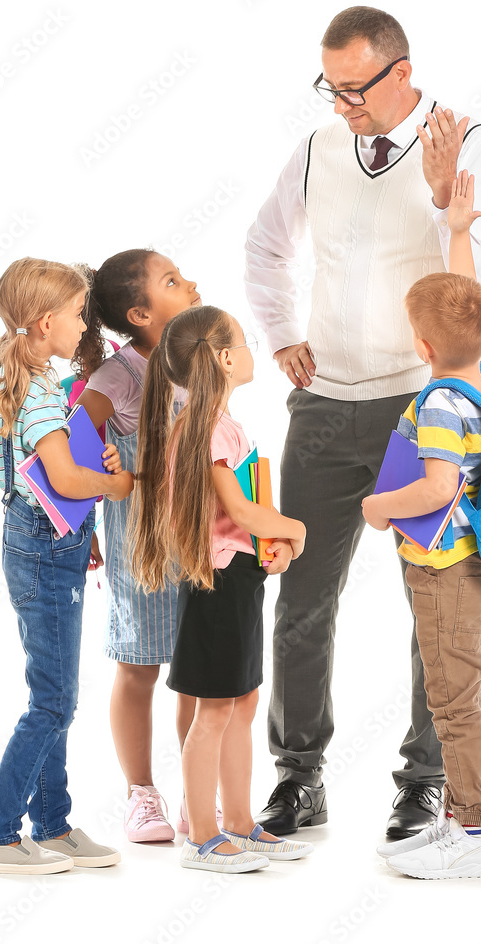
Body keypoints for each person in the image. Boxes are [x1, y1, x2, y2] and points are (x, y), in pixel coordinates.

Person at [245, 5, 481, 839]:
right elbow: (265, 247)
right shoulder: (318, 148)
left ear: (401, 71)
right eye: (331, 85)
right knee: (300, 599)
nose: (340, 104)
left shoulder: (467, 145)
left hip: (419, 411)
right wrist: (283, 334)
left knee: (433, 605)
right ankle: (297, 776)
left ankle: (423, 779)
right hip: (324, 408)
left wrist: (443, 206)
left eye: (355, 88)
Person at [129, 306, 312, 872]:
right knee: (213, 710)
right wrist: (294, 528)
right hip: (215, 582)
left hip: (239, 575)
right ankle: (203, 835)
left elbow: (238, 513)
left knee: (242, 701)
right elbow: (237, 509)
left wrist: (274, 544)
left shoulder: (220, 424)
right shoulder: (205, 428)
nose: (255, 350)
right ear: (226, 359)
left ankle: (238, 822)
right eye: (247, 342)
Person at [362, 173, 481, 878]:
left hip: (445, 568)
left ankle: (475, 837)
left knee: (450, 704)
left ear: (420, 345)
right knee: (464, 691)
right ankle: (458, 816)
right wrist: (456, 234)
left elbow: (437, 484)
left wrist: (376, 506)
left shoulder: (441, 402)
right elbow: (466, 306)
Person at [0, 257, 133, 874]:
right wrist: (113, 487)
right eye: (77, 314)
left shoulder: (24, 378)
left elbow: (50, 476)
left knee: (55, 693)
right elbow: (63, 476)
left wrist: (82, 507)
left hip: (42, 540)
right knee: (53, 702)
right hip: (42, 551)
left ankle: (53, 824)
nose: (83, 323)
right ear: (43, 323)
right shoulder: (37, 390)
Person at [73, 249, 203, 843]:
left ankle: (197, 792)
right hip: (141, 551)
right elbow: (70, 446)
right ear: (140, 313)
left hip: (201, 543)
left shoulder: (199, 360)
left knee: (200, 672)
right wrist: (85, 522)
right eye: (172, 281)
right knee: (139, 666)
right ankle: (140, 793)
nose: (190, 283)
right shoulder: (116, 377)